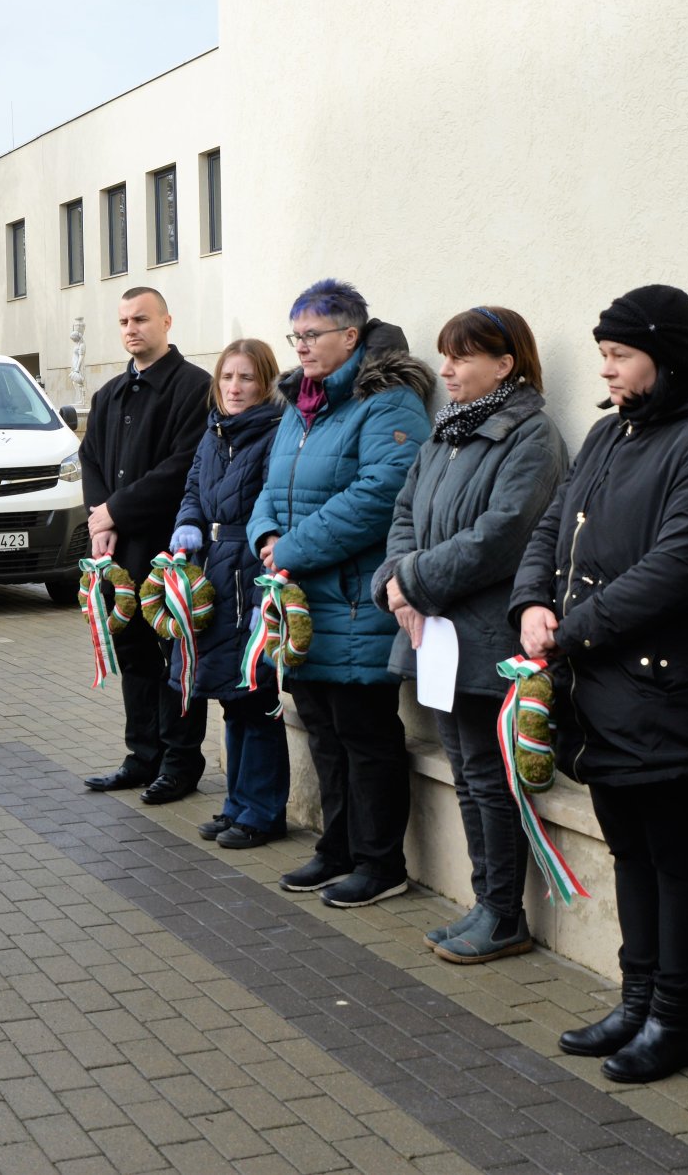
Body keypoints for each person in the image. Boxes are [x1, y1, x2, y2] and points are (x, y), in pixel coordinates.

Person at [510, 284, 688, 1083]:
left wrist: (570, 630)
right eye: (605, 356)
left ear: (667, 355)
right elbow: (554, 521)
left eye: (619, 356)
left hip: (666, 689)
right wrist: (532, 602)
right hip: (601, 689)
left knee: (677, 857)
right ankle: (636, 998)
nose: (606, 371)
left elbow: (681, 567)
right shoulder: (612, 430)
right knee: (630, 852)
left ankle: (673, 1022)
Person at [374, 306, 566, 963]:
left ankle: (505, 914)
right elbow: (405, 513)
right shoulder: (445, 434)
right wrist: (399, 579)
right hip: (437, 634)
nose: (446, 369)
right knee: (464, 771)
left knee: (489, 777)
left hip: (486, 635)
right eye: (445, 355)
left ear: (505, 364)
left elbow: (502, 537)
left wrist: (412, 582)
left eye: (462, 357)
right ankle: (487, 902)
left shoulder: (531, 437)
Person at [247, 279, 431, 908]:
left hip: (354, 600)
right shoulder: (302, 402)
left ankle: (382, 863)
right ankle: (338, 848)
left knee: (365, 734)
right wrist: (266, 535)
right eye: (294, 335)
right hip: (303, 603)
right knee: (322, 728)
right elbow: (271, 486)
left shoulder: (387, 401)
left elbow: (382, 494)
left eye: (312, 336)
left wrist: (291, 549)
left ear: (350, 336)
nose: (300, 348)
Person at [80, 286, 214, 803]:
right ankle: (143, 756)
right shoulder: (109, 393)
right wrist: (101, 519)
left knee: (176, 655)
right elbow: (90, 458)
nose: (131, 329)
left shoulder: (194, 388)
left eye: (141, 319)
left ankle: (180, 762)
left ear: (166, 322)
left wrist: (116, 510)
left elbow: (180, 468)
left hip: (168, 549)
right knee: (133, 652)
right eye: (123, 322)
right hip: (118, 551)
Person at [167, 338, 290, 849]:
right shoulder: (214, 434)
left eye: (246, 378)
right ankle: (237, 802)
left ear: (265, 382)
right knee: (227, 698)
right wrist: (187, 525)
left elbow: (271, 501)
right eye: (227, 378)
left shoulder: (276, 434)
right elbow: (193, 490)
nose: (235, 388)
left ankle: (262, 811)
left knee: (255, 696)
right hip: (213, 574)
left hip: (249, 574)